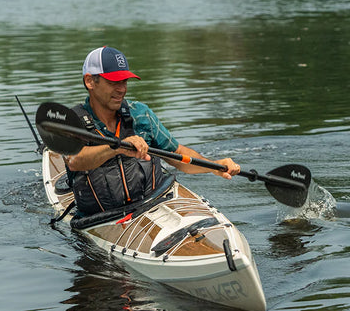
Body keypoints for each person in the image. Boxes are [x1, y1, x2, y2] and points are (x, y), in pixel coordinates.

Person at [65, 46, 241, 216]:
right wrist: (117, 147)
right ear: (90, 81)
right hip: (98, 221)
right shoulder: (73, 120)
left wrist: (214, 166)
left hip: (152, 208)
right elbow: (74, 161)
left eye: (124, 81)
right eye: (114, 82)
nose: (122, 89)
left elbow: (178, 154)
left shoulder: (141, 114)